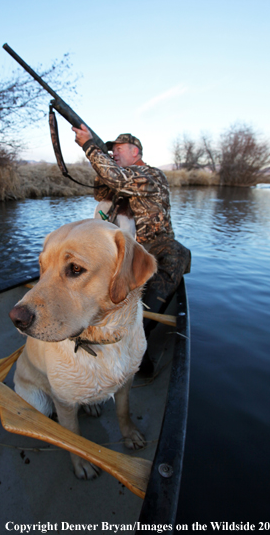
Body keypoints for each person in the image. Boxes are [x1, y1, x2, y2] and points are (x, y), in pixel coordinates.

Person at [73, 124, 191, 373]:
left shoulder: (150, 175)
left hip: (156, 242)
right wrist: (100, 158)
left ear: (135, 151)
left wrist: (89, 146)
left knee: (176, 254)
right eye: (111, 150)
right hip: (132, 242)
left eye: (118, 149)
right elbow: (101, 190)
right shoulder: (122, 178)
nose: (113, 152)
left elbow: (115, 178)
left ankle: (141, 330)